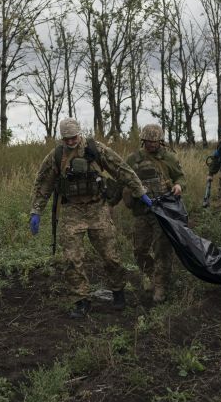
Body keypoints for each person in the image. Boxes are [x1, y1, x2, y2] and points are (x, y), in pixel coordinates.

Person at [30, 118, 151, 318]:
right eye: (66, 139)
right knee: (71, 259)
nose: (70, 142)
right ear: (62, 138)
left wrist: (139, 191)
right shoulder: (56, 156)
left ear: (80, 133)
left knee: (111, 256)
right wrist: (36, 211)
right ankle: (81, 300)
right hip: (72, 211)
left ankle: (118, 292)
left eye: (74, 137)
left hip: (98, 209)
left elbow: (121, 169)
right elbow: (43, 185)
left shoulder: (96, 149)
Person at [124, 123, 185, 303]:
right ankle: (151, 274)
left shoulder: (169, 158)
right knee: (139, 250)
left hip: (164, 211)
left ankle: (160, 285)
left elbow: (180, 177)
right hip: (142, 211)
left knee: (162, 249)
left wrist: (179, 185)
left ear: (160, 141)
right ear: (143, 140)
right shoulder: (133, 159)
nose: (151, 145)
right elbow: (124, 179)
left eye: (155, 141)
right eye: (148, 141)